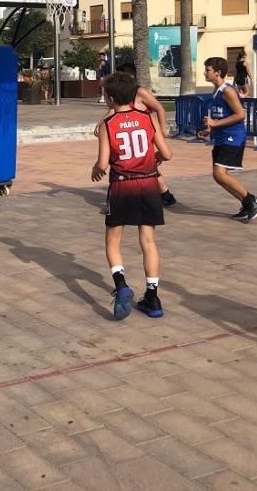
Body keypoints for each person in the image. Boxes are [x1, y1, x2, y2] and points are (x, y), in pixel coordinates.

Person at [91, 72, 173, 320]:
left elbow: (104, 163)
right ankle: (153, 296)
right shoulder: (147, 118)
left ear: (111, 97)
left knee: (113, 239)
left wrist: (96, 169)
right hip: (148, 184)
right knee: (148, 240)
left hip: (122, 185)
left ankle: (121, 284)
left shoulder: (108, 124)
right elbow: (167, 154)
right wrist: (153, 159)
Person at [99, 62, 178, 207]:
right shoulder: (122, 96)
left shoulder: (140, 92)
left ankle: (164, 195)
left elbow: (159, 109)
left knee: (142, 164)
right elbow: (114, 110)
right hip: (132, 131)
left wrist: (162, 129)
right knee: (142, 165)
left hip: (145, 130)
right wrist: (101, 123)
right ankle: (166, 195)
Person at [201, 57, 257, 222]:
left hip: (233, 137)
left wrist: (215, 123)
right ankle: (246, 203)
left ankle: (252, 200)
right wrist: (210, 129)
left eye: (207, 70)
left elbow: (240, 114)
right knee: (218, 176)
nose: (204, 73)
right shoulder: (216, 91)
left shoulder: (227, 91)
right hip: (221, 137)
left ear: (218, 72)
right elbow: (222, 115)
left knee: (219, 173)